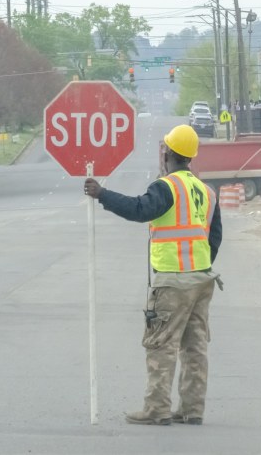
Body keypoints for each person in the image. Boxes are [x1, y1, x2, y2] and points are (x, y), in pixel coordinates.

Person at [83, 124, 223, 426]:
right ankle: (192, 409)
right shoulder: (206, 191)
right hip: (202, 279)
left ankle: (157, 408)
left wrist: (102, 194)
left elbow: (139, 210)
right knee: (195, 347)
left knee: (161, 344)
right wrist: (199, 265)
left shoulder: (167, 187)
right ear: (191, 157)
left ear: (169, 153)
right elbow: (215, 237)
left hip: (173, 281)